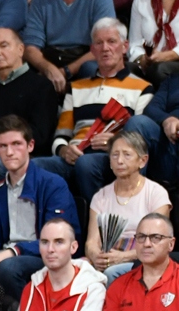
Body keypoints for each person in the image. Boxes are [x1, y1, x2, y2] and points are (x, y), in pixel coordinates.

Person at [37, 17, 158, 204]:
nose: (105, 48)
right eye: (99, 43)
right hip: (74, 155)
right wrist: (63, 150)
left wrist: (115, 142)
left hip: (110, 158)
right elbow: (61, 134)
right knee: (29, 166)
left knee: (87, 163)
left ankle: (102, 219)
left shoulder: (142, 88)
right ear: (92, 50)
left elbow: (140, 138)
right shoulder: (75, 87)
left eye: (112, 42)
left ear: (125, 47)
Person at [0, 115, 80, 297]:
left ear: (30, 146)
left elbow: (58, 238)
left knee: (8, 268)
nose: (9, 152)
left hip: (43, 255)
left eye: (16, 144)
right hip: (6, 254)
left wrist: (14, 251)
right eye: (3, 146)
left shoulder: (53, 184)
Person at [0, 28, 63, 176]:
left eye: (4, 46)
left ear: (21, 49)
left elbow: (39, 136)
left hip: (21, 163)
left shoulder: (41, 87)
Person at [83, 131, 172, 282]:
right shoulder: (101, 196)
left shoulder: (156, 194)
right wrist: (97, 256)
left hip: (141, 258)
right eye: (115, 155)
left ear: (142, 161)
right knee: (74, 269)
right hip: (107, 256)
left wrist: (122, 257)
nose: (120, 160)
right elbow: (91, 242)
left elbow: (157, 244)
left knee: (112, 272)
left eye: (127, 154)